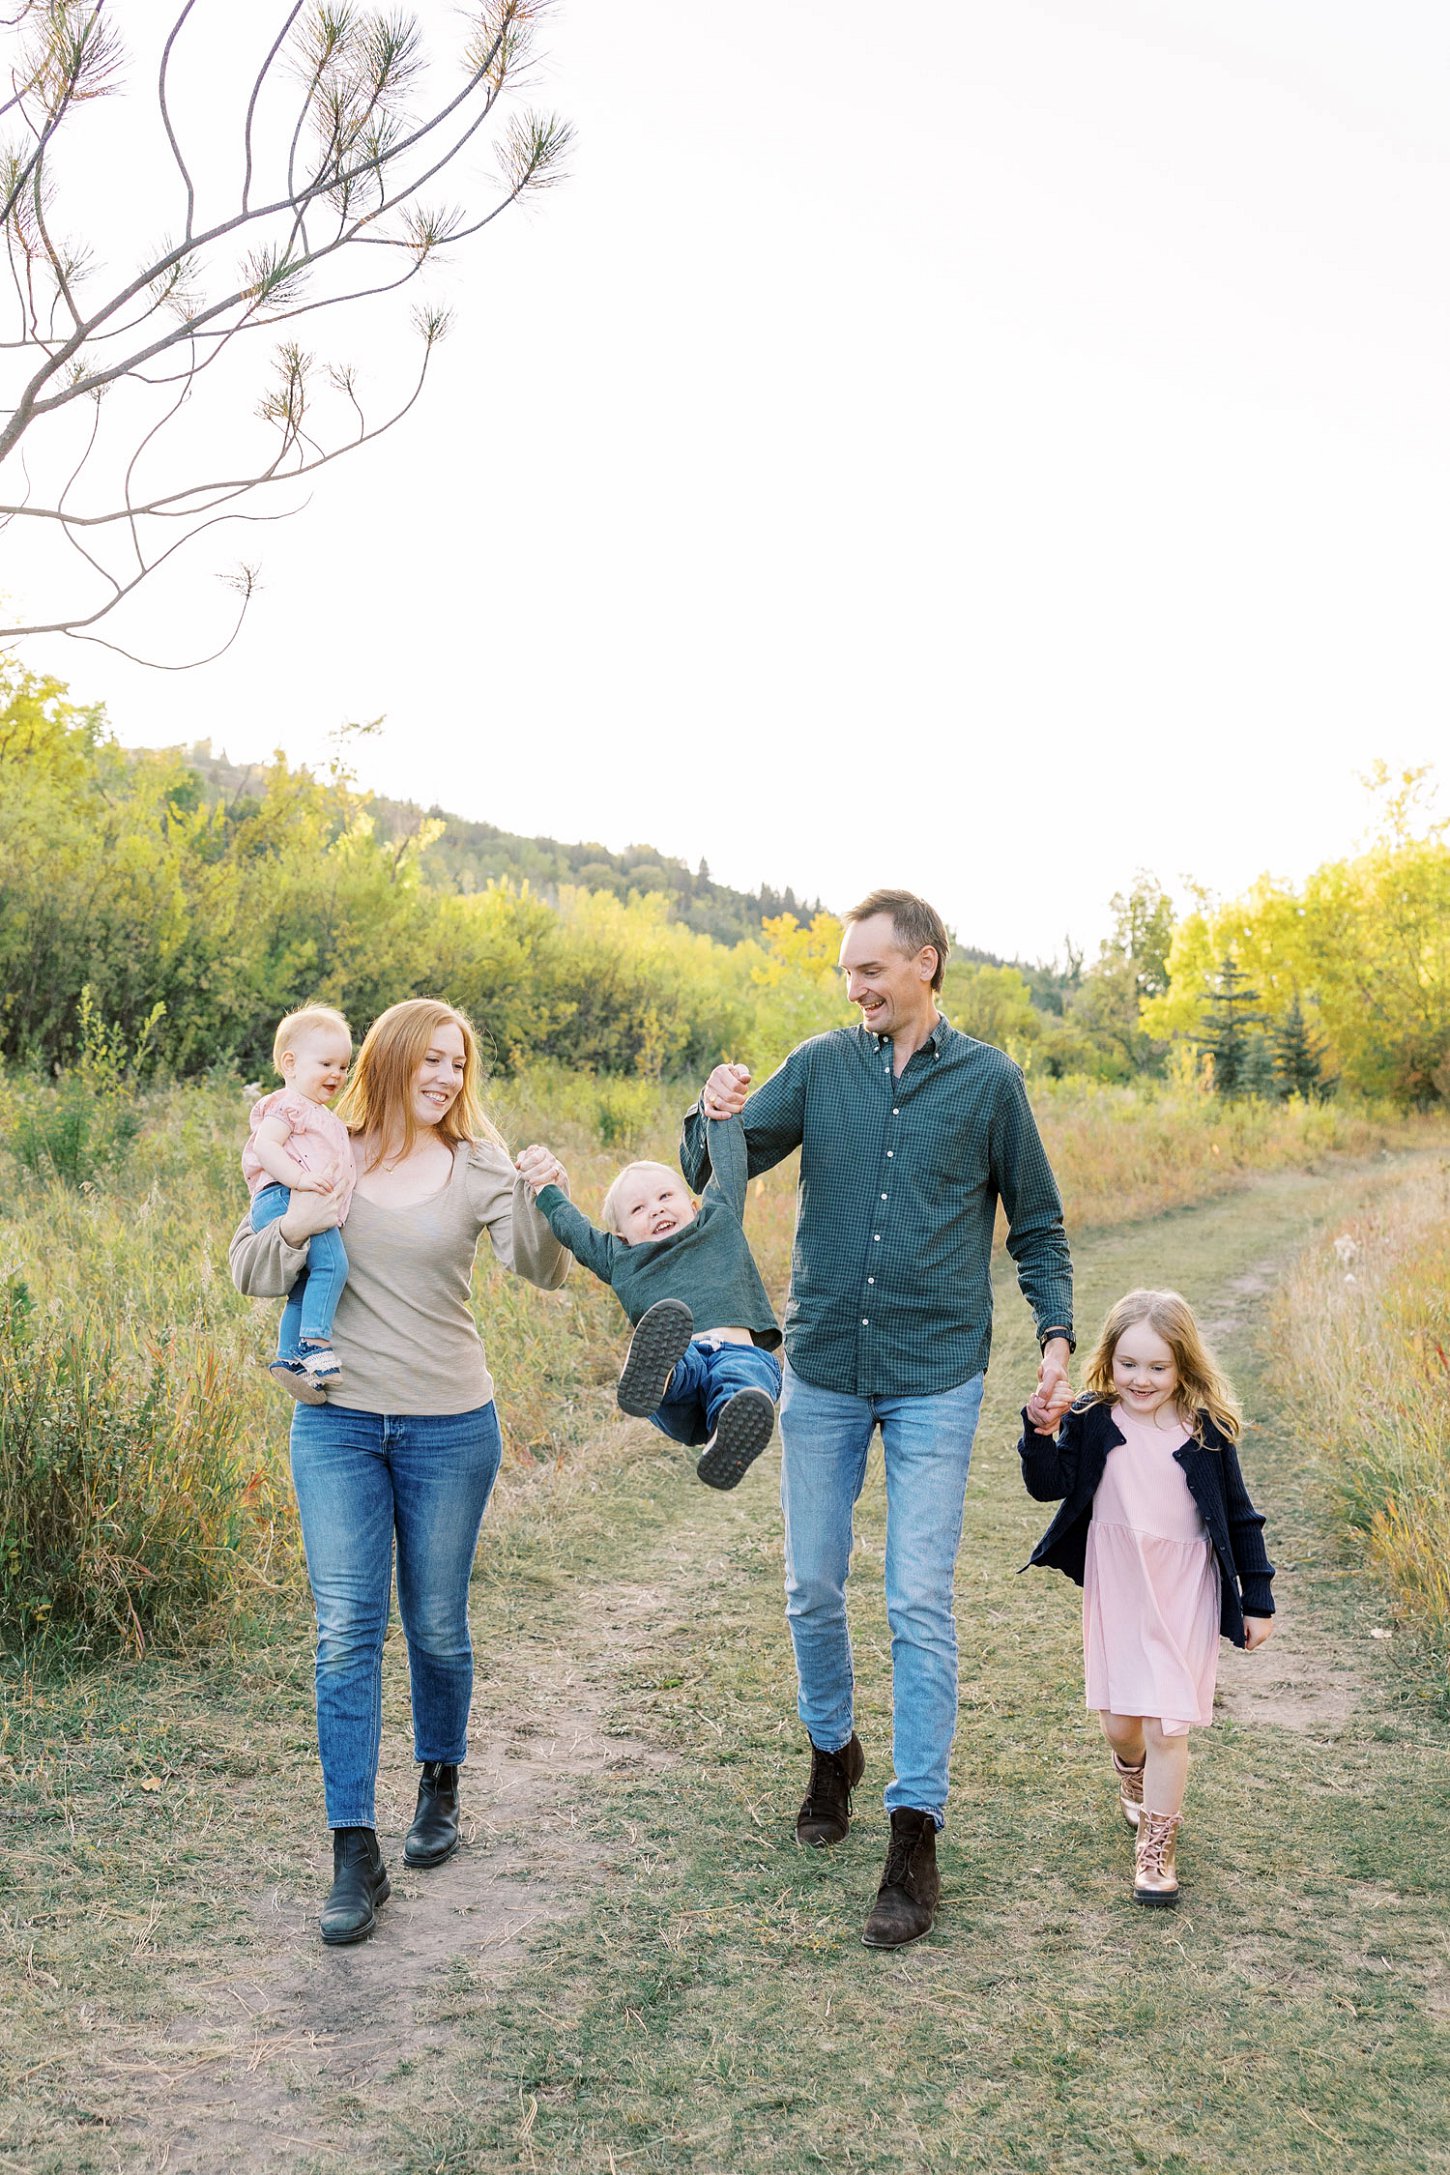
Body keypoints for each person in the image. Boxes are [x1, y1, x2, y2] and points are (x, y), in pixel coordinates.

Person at [683, 888, 1074, 1949]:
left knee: (915, 1598)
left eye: (871, 970)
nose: (855, 988)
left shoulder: (988, 1083)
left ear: (925, 965)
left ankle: (913, 1833)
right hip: (823, 1364)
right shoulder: (818, 1066)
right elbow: (709, 1177)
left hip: (935, 1372)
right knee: (811, 1583)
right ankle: (831, 1752)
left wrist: (1054, 1336)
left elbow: (1035, 1225)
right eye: (846, 973)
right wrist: (712, 1114)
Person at [229, 998, 570, 1946]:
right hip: (335, 1426)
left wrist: (545, 1200)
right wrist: (299, 1219)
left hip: (451, 1427)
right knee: (345, 1629)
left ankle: (440, 1781)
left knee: (435, 1623)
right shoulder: (313, 1146)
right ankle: (353, 1853)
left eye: (458, 1064)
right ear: (387, 1060)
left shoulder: (477, 1165)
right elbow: (250, 1268)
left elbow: (539, 1270)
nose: (445, 1077)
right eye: (430, 1059)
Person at [1018, 1287, 1276, 1906]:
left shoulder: (1206, 1430)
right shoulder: (1091, 1418)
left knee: (1168, 1723)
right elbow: (1046, 1486)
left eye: (1158, 1367)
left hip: (1185, 1584)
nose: (1142, 1379)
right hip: (1120, 1580)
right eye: (1129, 1364)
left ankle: (1157, 1849)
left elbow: (1240, 1517)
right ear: (1109, 1359)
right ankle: (1131, 1775)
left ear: (1183, 1365)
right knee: (1121, 1724)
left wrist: (1257, 1598)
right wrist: (1040, 1432)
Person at [520, 1113, 782, 1491]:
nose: (656, 1209)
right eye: (637, 1209)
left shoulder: (717, 1219)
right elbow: (574, 1230)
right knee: (679, 1361)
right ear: (621, 1235)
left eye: (664, 1197)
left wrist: (721, 1115)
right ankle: (658, 1375)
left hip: (738, 1352)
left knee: (741, 1382)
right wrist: (546, 1188)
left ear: (694, 1206)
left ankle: (727, 1436)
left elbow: (727, 1165)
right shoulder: (620, 1256)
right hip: (680, 1365)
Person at [242, 1005, 356, 1388]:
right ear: (290, 1063)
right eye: (326, 1063)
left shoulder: (320, 1113)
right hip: (284, 1197)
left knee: (305, 1284)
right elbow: (265, 1147)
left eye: (343, 1067)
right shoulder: (288, 1104)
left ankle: (288, 1357)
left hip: (295, 1197)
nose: (336, 1075)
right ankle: (314, 1345)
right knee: (333, 1266)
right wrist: (300, 1179)